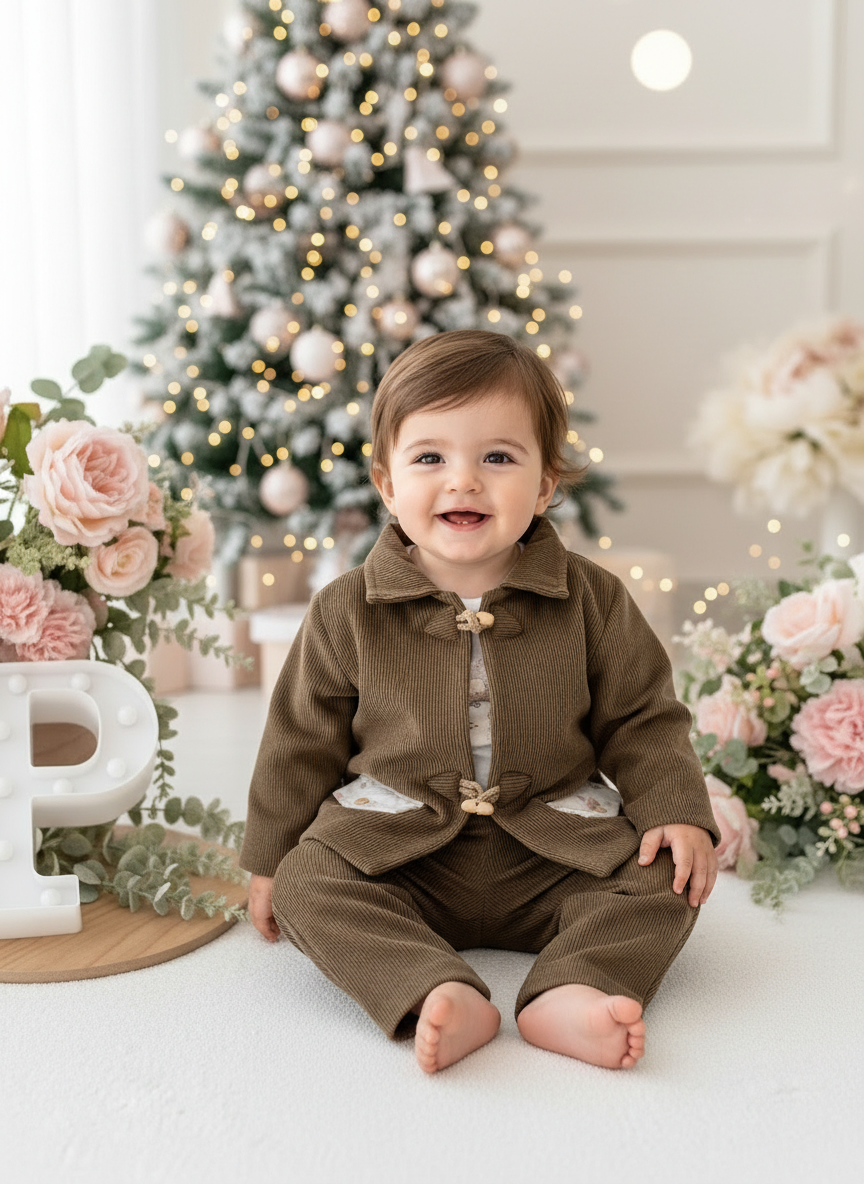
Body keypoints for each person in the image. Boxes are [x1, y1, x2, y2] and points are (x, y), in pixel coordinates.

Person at [241, 329, 719, 1074]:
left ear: (545, 484)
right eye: (430, 457)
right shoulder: (347, 608)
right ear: (388, 484)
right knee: (309, 883)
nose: (463, 481)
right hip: (400, 849)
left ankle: (574, 988)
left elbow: (644, 716)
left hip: (554, 847)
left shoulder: (591, 599)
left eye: (498, 457)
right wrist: (269, 858)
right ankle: (431, 987)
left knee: (667, 876)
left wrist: (676, 809)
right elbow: (300, 739)